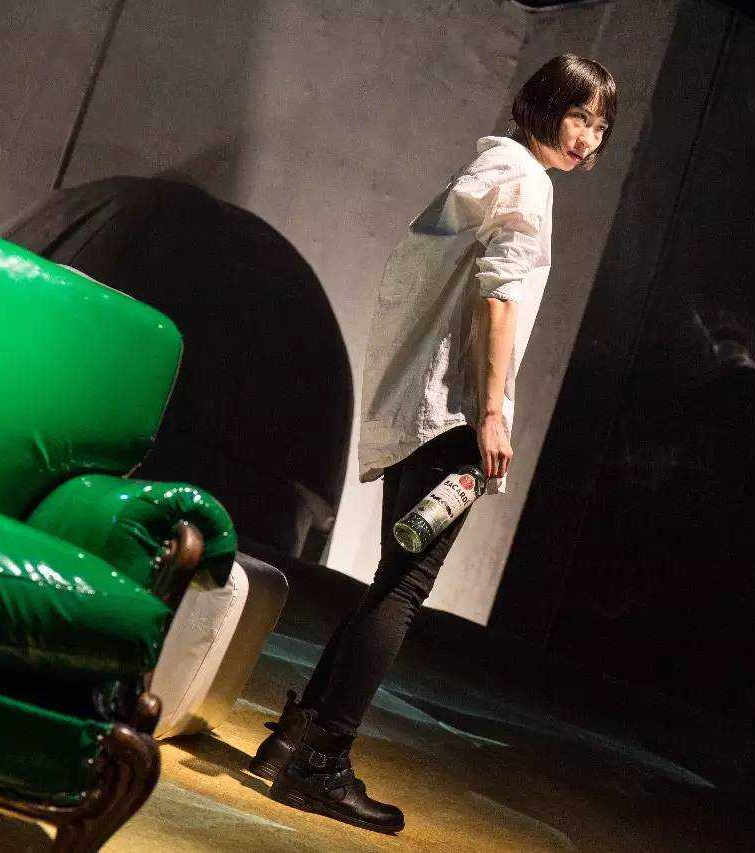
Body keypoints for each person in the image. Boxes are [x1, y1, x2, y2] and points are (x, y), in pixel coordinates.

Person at [248, 53, 618, 835]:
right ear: (543, 105)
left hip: (423, 404)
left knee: (388, 582)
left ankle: (294, 740)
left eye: (600, 125)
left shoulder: (484, 170)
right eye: (578, 116)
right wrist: (491, 414)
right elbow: (498, 299)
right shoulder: (527, 184)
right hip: (455, 413)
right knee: (403, 590)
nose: (588, 137)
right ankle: (321, 761)